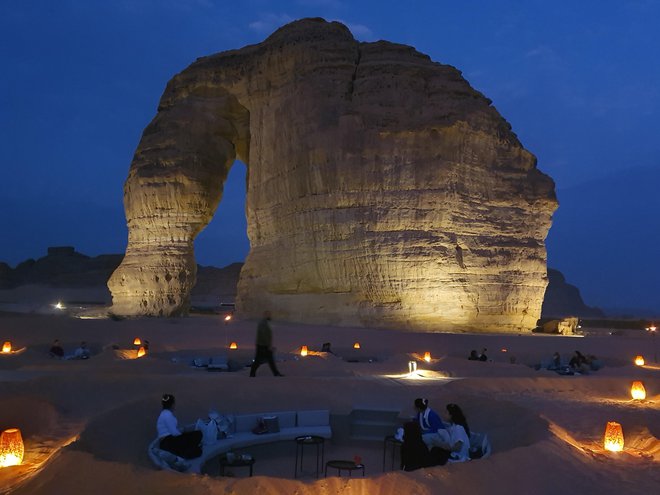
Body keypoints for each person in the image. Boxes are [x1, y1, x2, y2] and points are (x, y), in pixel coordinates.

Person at [157, 394, 202, 459]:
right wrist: (184, 436)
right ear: (172, 404)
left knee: (192, 438)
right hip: (168, 442)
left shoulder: (164, 414)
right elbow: (174, 433)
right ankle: (186, 452)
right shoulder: (167, 415)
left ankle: (187, 450)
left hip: (168, 442)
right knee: (198, 435)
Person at [249, 311, 284, 377]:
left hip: (263, 345)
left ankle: (275, 373)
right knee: (259, 360)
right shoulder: (263, 324)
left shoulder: (265, 323)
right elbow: (264, 335)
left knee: (266, 360)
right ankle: (252, 373)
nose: (270, 316)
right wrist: (268, 345)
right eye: (269, 315)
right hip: (262, 345)